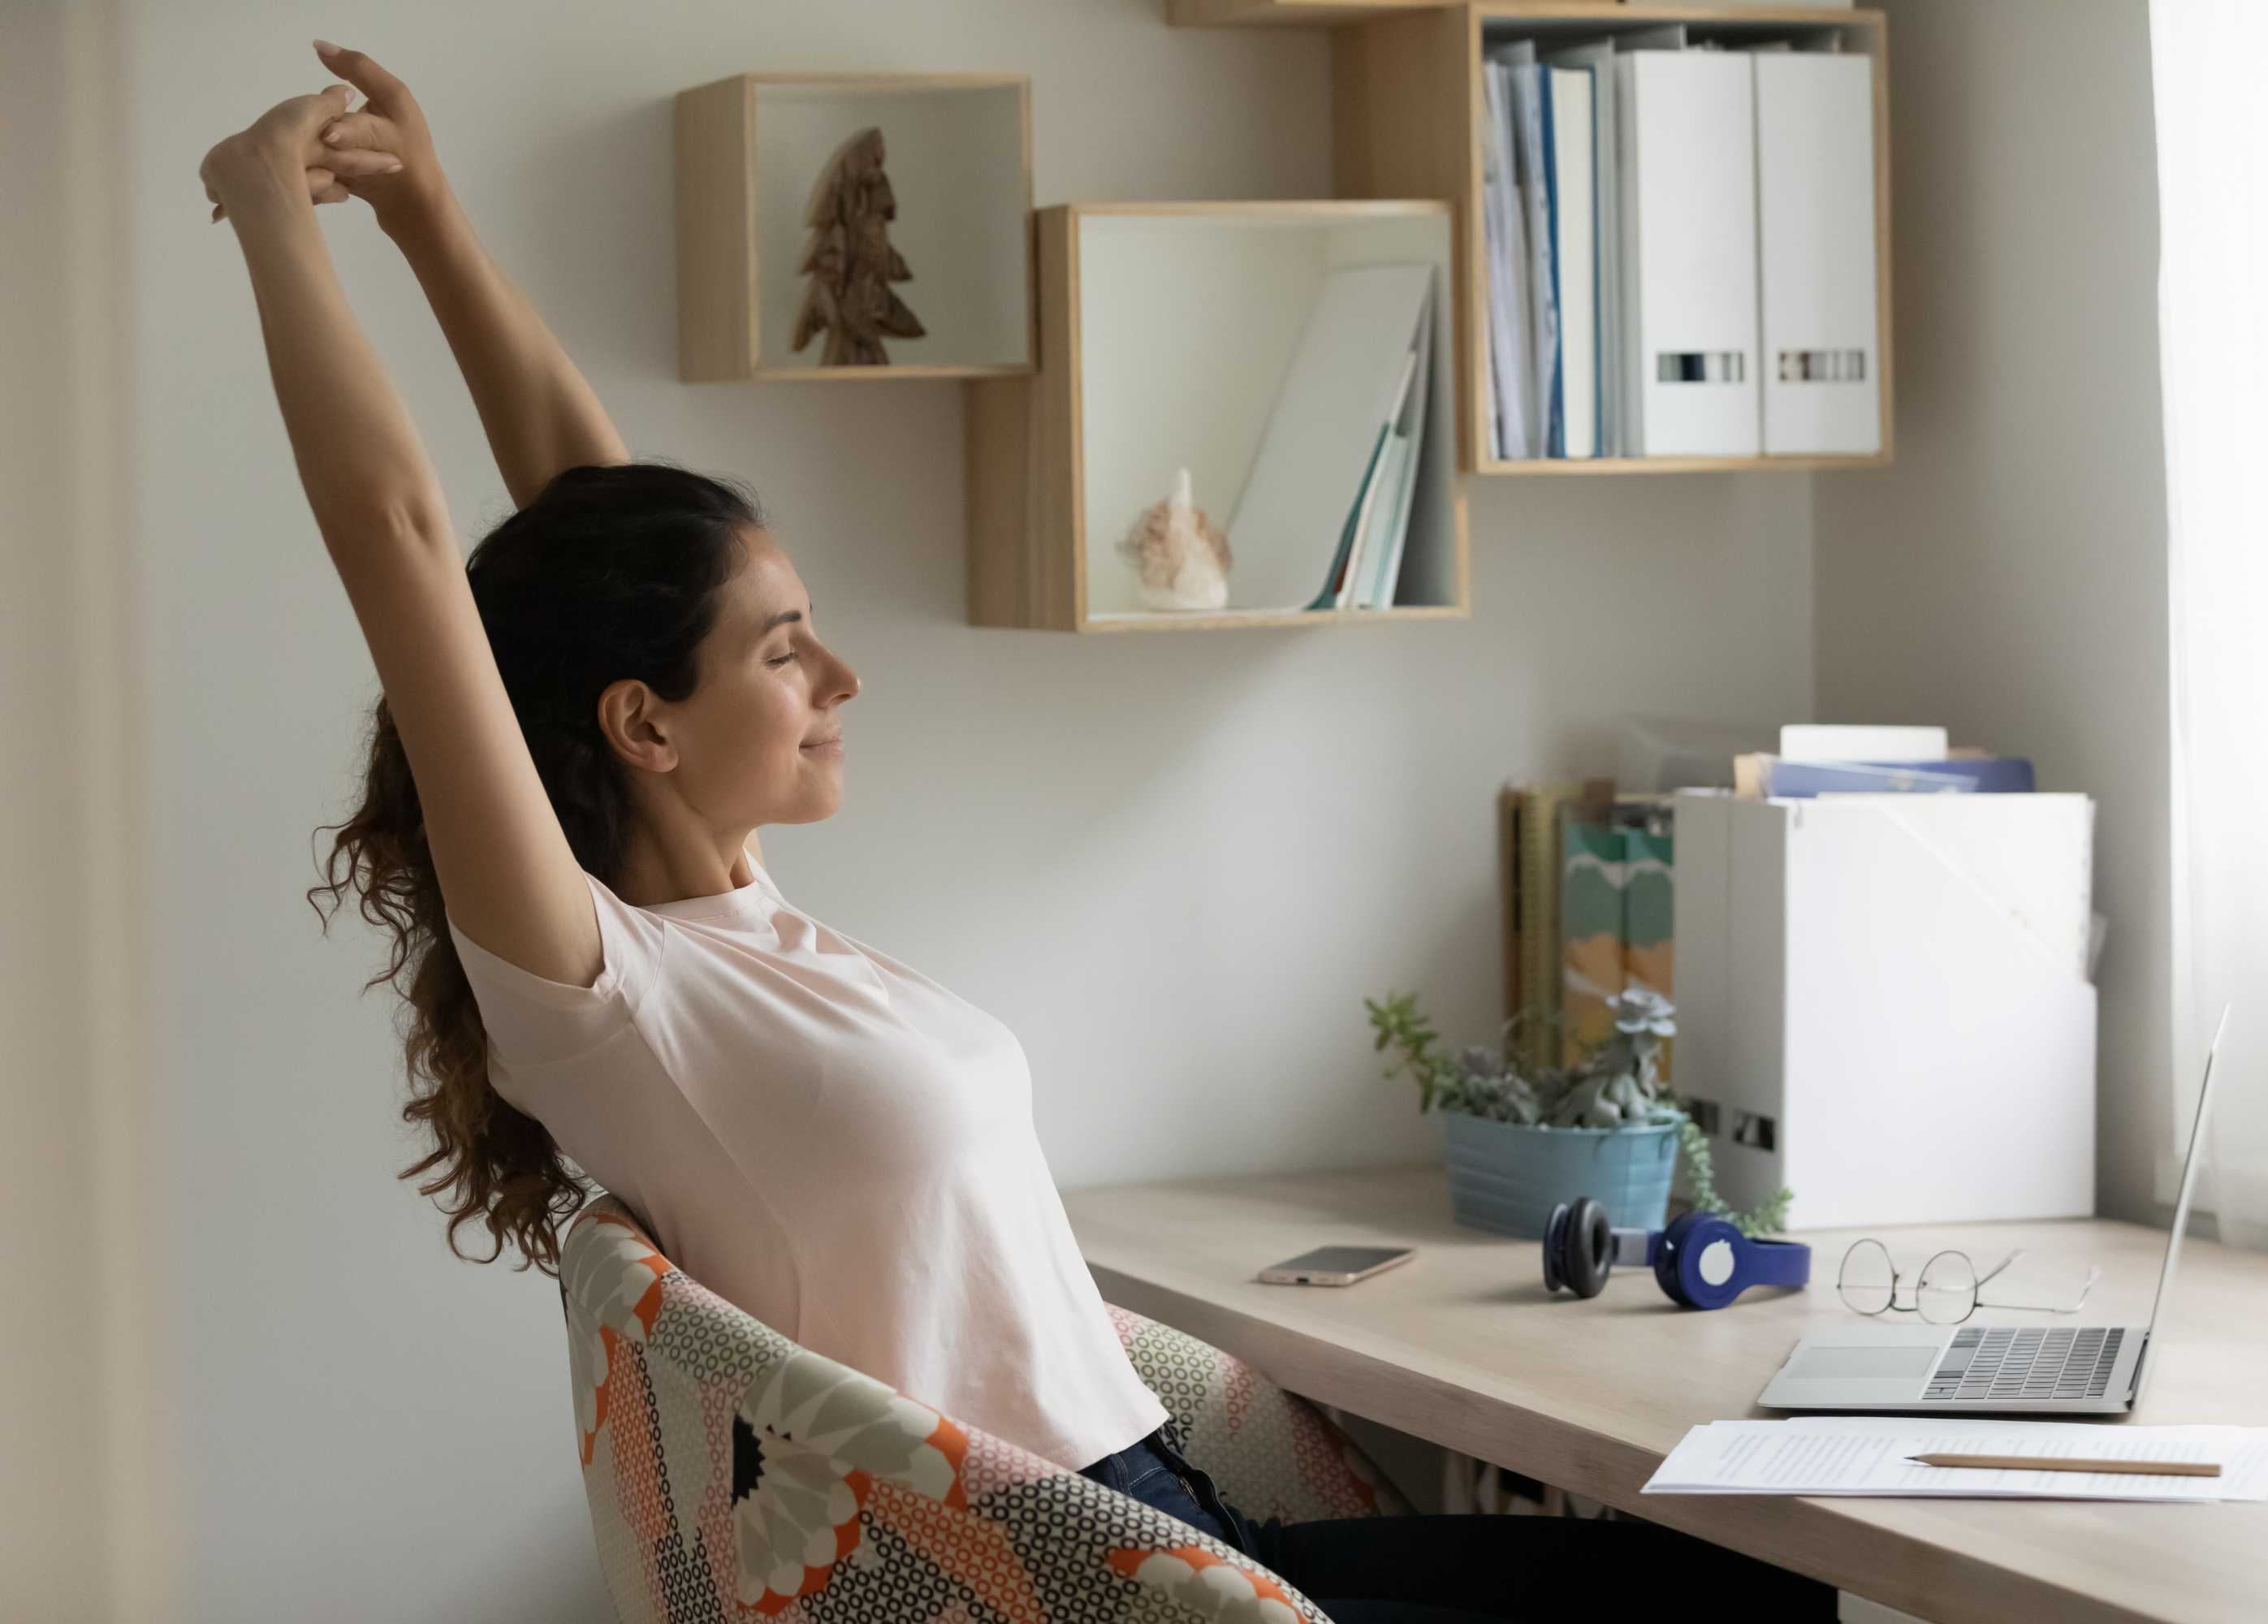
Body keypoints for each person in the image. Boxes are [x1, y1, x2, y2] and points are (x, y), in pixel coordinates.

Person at [200, 44, 1834, 1624]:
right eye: (784, 653)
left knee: (1744, 1581)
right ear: (644, 725)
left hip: (1165, 1516)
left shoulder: (734, 903)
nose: (840, 676)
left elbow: (600, 528)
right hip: (1063, 1583)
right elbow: (400, 538)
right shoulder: (608, 989)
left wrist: (432, 220)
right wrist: (273, 208)